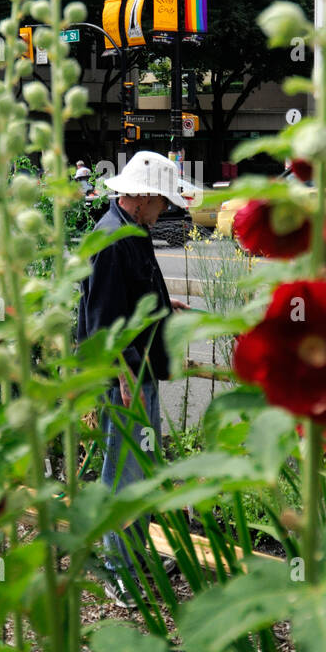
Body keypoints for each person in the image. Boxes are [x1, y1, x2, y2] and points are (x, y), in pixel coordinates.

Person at [77, 150, 191, 607]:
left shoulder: (130, 232)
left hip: (139, 369)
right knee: (122, 472)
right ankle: (116, 569)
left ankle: (134, 553)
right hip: (125, 375)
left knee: (140, 469)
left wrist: (166, 311)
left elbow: (133, 298)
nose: (164, 209)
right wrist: (126, 384)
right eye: (161, 201)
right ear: (141, 196)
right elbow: (104, 322)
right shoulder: (111, 241)